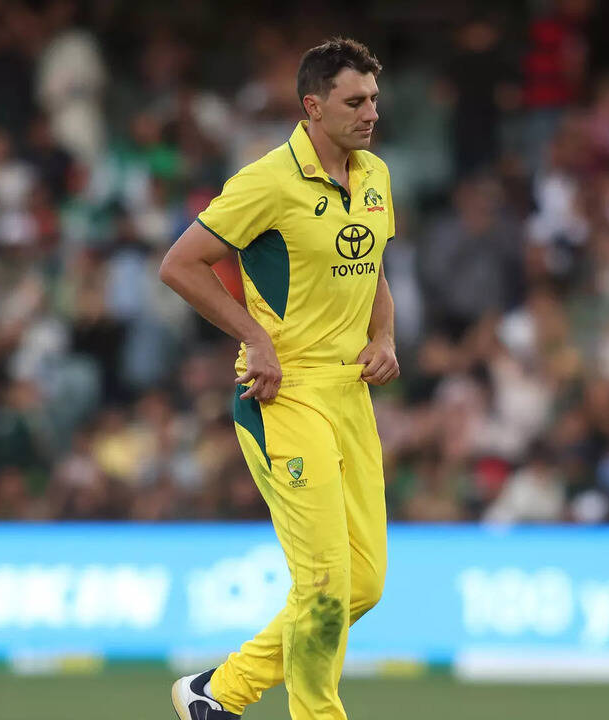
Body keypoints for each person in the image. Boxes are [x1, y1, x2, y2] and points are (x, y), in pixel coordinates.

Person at [159, 37, 399, 720]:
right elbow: (180, 263)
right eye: (356, 101)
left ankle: (218, 693)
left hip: (348, 393)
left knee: (363, 586)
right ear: (313, 107)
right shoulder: (268, 180)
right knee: (323, 586)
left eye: (375, 99)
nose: (370, 113)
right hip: (282, 395)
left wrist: (383, 335)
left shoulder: (376, 176)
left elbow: (373, 267)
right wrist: (254, 337)